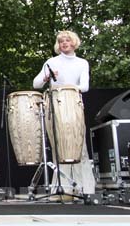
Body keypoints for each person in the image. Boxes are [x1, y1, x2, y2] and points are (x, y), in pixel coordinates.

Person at [33, 30, 96, 196]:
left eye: (67, 40)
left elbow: (85, 86)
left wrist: (70, 88)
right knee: (59, 146)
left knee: (78, 146)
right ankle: (63, 189)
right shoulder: (51, 62)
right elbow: (36, 84)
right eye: (61, 41)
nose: (64, 43)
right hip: (54, 106)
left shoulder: (82, 63)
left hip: (74, 104)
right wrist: (47, 77)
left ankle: (84, 188)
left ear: (74, 43)